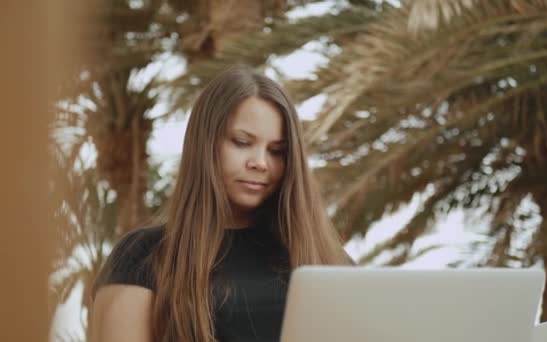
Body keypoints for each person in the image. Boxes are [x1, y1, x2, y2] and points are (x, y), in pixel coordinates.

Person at [90, 65, 353, 342]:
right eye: (242, 142)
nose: (260, 163)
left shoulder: (326, 259)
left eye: (277, 151)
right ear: (205, 144)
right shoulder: (142, 257)